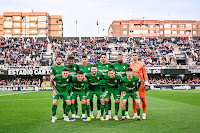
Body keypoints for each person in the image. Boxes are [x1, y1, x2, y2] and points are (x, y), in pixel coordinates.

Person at [129, 52, 149, 119]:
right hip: (133, 84)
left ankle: (144, 113)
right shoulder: (130, 64)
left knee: (143, 100)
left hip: (141, 84)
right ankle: (135, 114)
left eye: (135, 55)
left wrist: (146, 83)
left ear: (138, 56)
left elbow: (145, 73)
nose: (134, 56)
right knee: (134, 100)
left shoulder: (142, 64)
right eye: (133, 55)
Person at [112, 54, 130, 119]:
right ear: (117, 58)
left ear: (123, 58)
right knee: (117, 100)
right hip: (117, 85)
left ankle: (126, 113)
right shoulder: (114, 65)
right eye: (118, 57)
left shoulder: (126, 65)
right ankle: (116, 115)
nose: (120, 58)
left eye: (121, 57)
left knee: (125, 99)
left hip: (124, 85)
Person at [96, 53, 112, 119]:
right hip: (99, 85)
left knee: (108, 99)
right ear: (100, 58)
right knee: (98, 99)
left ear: (106, 58)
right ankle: (99, 113)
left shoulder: (109, 65)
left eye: (104, 57)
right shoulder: (97, 65)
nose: (103, 58)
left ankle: (109, 113)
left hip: (107, 85)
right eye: (102, 57)